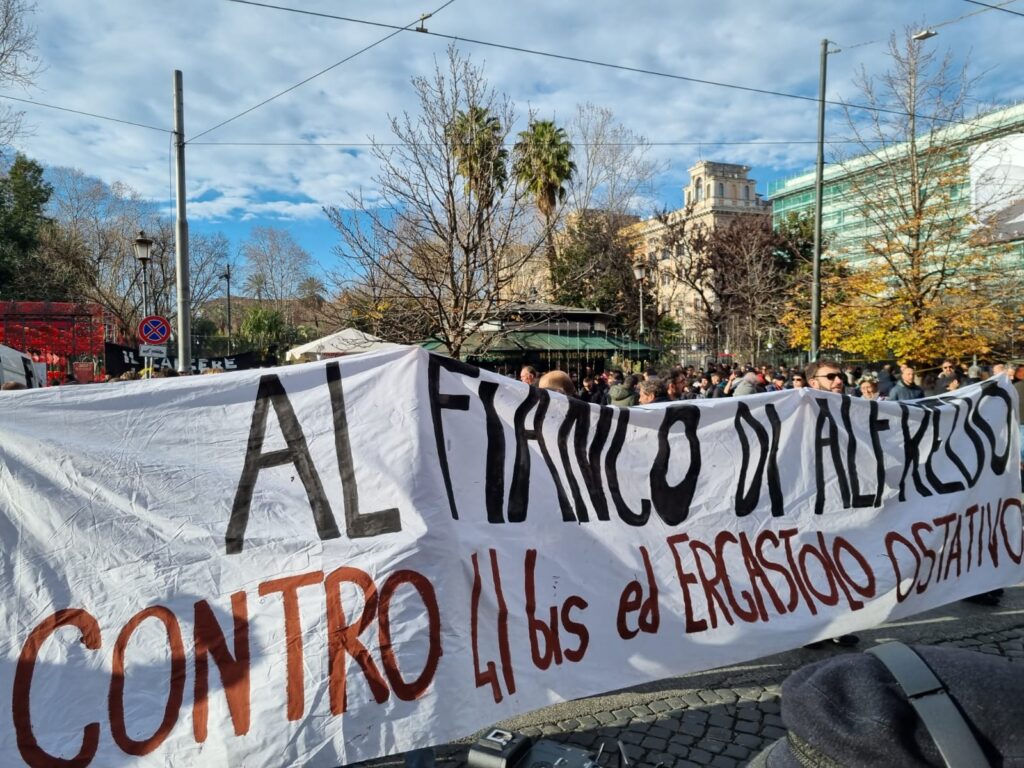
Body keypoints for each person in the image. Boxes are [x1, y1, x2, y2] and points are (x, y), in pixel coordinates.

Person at [804, 358, 859, 649]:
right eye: (832, 377)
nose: (839, 381)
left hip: (844, 498)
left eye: (842, 377)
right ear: (814, 382)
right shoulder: (798, 410)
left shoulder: (854, 409)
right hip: (810, 500)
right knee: (813, 565)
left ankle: (841, 624)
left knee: (843, 563)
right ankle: (811, 628)